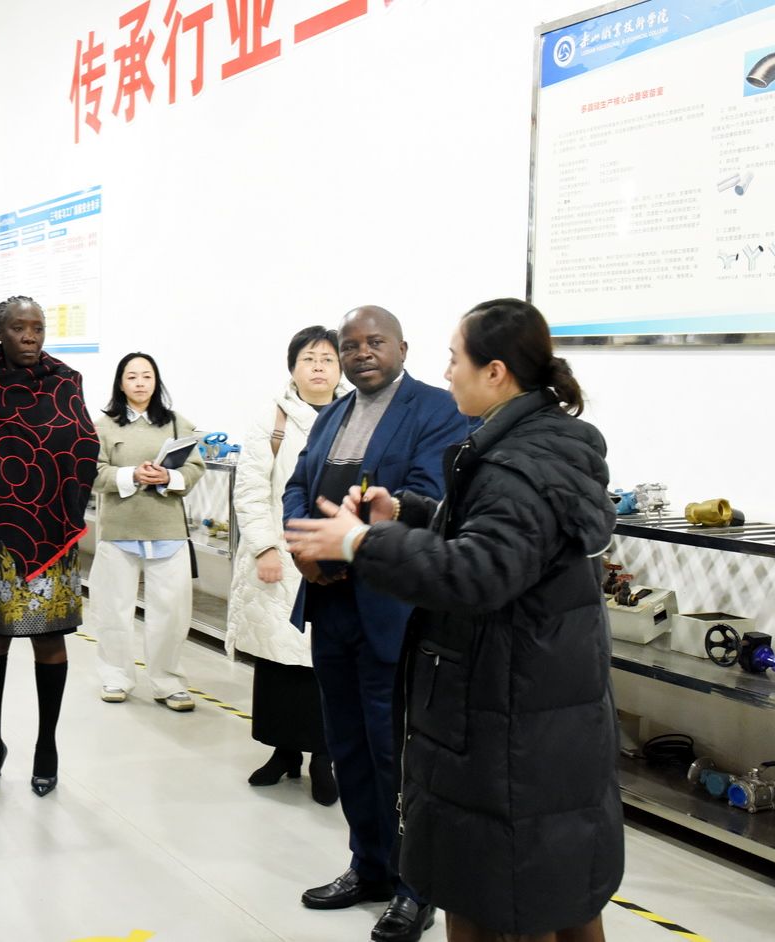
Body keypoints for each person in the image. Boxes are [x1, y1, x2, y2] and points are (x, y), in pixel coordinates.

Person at [288, 299, 620, 942]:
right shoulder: (522, 443)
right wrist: (408, 513)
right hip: (522, 696)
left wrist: (360, 542)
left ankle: (409, 891)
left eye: (454, 358)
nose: (448, 373)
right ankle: (370, 863)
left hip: (510, 701)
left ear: (495, 371)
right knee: (553, 891)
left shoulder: (513, 459)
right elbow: (491, 536)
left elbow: (479, 571)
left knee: (504, 895)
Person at [282, 306, 468, 942]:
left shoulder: (435, 410)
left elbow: (424, 497)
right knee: (348, 743)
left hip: (393, 606)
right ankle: (369, 866)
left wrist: (337, 550)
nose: (361, 353)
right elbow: (298, 484)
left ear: (402, 348)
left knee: (397, 752)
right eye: (351, 344)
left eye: (375, 342)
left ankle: (417, 887)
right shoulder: (332, 413)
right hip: (330, 603)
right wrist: (302, 547)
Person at [0, 296, 99, 797]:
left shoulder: (66, 381)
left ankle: (46, 745)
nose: (30, 336)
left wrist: (43, 472)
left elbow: (83, 446)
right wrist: (8, 467)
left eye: (37, 327)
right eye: (18, 327)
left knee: (48, 640)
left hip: (51, 527)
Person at [227, 325, 342, 805]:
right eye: (309, 359)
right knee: (279, 662)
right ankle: (284, 752)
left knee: (327, 665)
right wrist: (263, 548)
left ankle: (324, 758)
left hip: (335, 556)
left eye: (328, 359)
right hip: (280, 554)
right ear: (292, 367)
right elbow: (251, 490)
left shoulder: (356, 414)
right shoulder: (271, 418)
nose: (318, 368)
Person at [90, 352, 205, 711]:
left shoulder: (177, 424)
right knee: (113, 609)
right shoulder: (102, 426)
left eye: (147, 376)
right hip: (118, 530)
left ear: (156, 382)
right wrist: (132, 475)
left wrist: (168, 476)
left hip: (167, 529)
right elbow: (92, 472)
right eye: (132, 376)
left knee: (171, 613)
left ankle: (168, 682)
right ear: (120, 383)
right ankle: (115, 676)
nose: (140, 383)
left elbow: (195, 469)